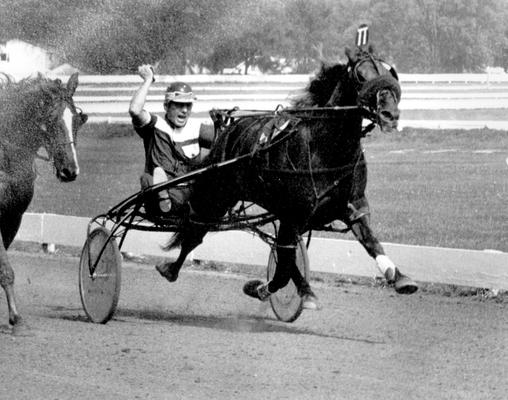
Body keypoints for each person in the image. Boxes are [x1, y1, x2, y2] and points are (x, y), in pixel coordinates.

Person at [129, 64, 211, 215]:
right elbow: (135, 110)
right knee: (148, 178)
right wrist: (148, 80)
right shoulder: (155, 125)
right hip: (160, 195)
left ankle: (178, 203)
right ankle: (164, 197)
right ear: (166, 106)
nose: (185, 110)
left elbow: (227, 144)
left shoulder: (198, 127)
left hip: (191, 193)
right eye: (179, 105)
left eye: (188, 105)